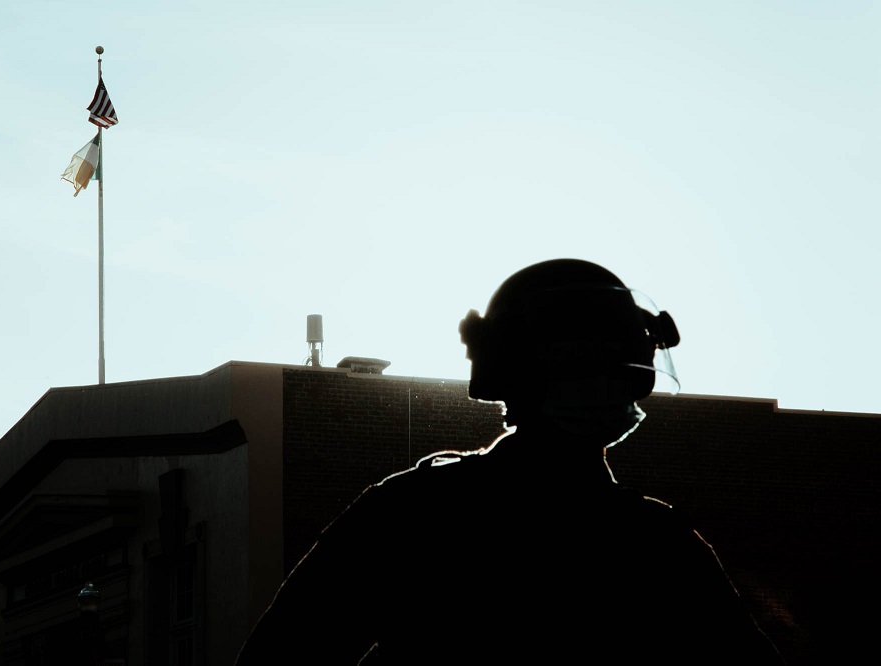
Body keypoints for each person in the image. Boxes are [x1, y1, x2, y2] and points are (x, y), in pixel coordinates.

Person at [235, 258, 783, 664]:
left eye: (610, 372)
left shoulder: (412, 511)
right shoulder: (656, 540)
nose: (600, 392)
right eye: (582, 370)